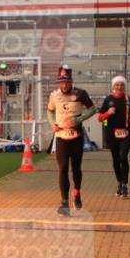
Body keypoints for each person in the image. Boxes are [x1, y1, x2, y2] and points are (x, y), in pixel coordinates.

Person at [46, 65, 96, 214]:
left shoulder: (81, 93)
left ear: (71, 81)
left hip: (76, 137)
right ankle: (64, 203)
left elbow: (93, 109)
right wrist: (52, 124)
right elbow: (49, 111)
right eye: (62, 82)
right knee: (62, 169)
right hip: (61, 137)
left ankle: (77, 192)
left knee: (76, 169)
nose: (64, 85)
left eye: (67, 82)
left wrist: (80, 119)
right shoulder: (54, 95)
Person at [98, 75, 130, 197]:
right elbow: (100, 118)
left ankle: (125, 184)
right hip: (112, 134)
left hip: (126, 133)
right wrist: (108, 113)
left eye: (121, 84)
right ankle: (119, 182)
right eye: (117, 85)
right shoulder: (108, 100)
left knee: (123, 156)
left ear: (124, 86)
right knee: (116, 160)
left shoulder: (129, 99)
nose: (119, 87)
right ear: (113, 86)